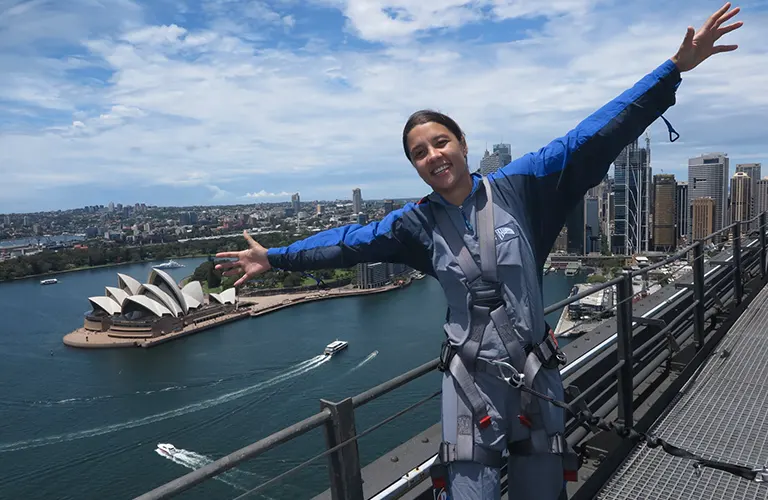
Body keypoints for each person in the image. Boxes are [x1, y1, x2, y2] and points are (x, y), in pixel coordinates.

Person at [215, 4, 743, 499]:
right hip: (471, 384)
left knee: (542, 486)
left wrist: (673, 69)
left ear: (463, 144)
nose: (433, 156)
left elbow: (595, 135)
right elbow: (349, 242)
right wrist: (277, 257)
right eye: (419, 153)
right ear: (415, 167)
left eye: (440, 142)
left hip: (536, 374)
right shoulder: (415, 224)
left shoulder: (524, 187)